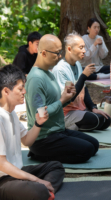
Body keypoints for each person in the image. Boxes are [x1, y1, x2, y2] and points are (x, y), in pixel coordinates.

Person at [0, 65, 65, 200]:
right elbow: (2, 164)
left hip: (16, 172)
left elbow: (26, 140)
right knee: (38, 191)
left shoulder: (11, 112)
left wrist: (38, 123)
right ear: (6, 91)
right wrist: (37, 180)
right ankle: (42, 191)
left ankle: (44, 191)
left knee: (56, 167)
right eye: (20, 89)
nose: (24, 92)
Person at [25, 34, 99, 164]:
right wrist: (62, 100)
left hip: (58, 130)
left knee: (94, 145)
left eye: (60, 52)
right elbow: (40, 114)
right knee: (86, 151)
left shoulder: (48, 72)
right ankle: (40, 155)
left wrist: (68, 97)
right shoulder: (36, 78)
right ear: (43, 53)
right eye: (57, 53)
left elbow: (58, 101)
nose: (60, 56)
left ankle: (45, 153)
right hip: (43, 138)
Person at [52, 32, 111, 131]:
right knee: (96, 120)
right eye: (81, 48)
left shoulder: (78, 65)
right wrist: (83, 76)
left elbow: (83, 89)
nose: (84, 50)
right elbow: (68, 99)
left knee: (106, 120)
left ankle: (77, 124)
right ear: (70, 49)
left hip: (80, 108)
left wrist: (93, 107)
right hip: (66, 113)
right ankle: (68, 126)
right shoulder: (60, 69)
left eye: (84, 47)